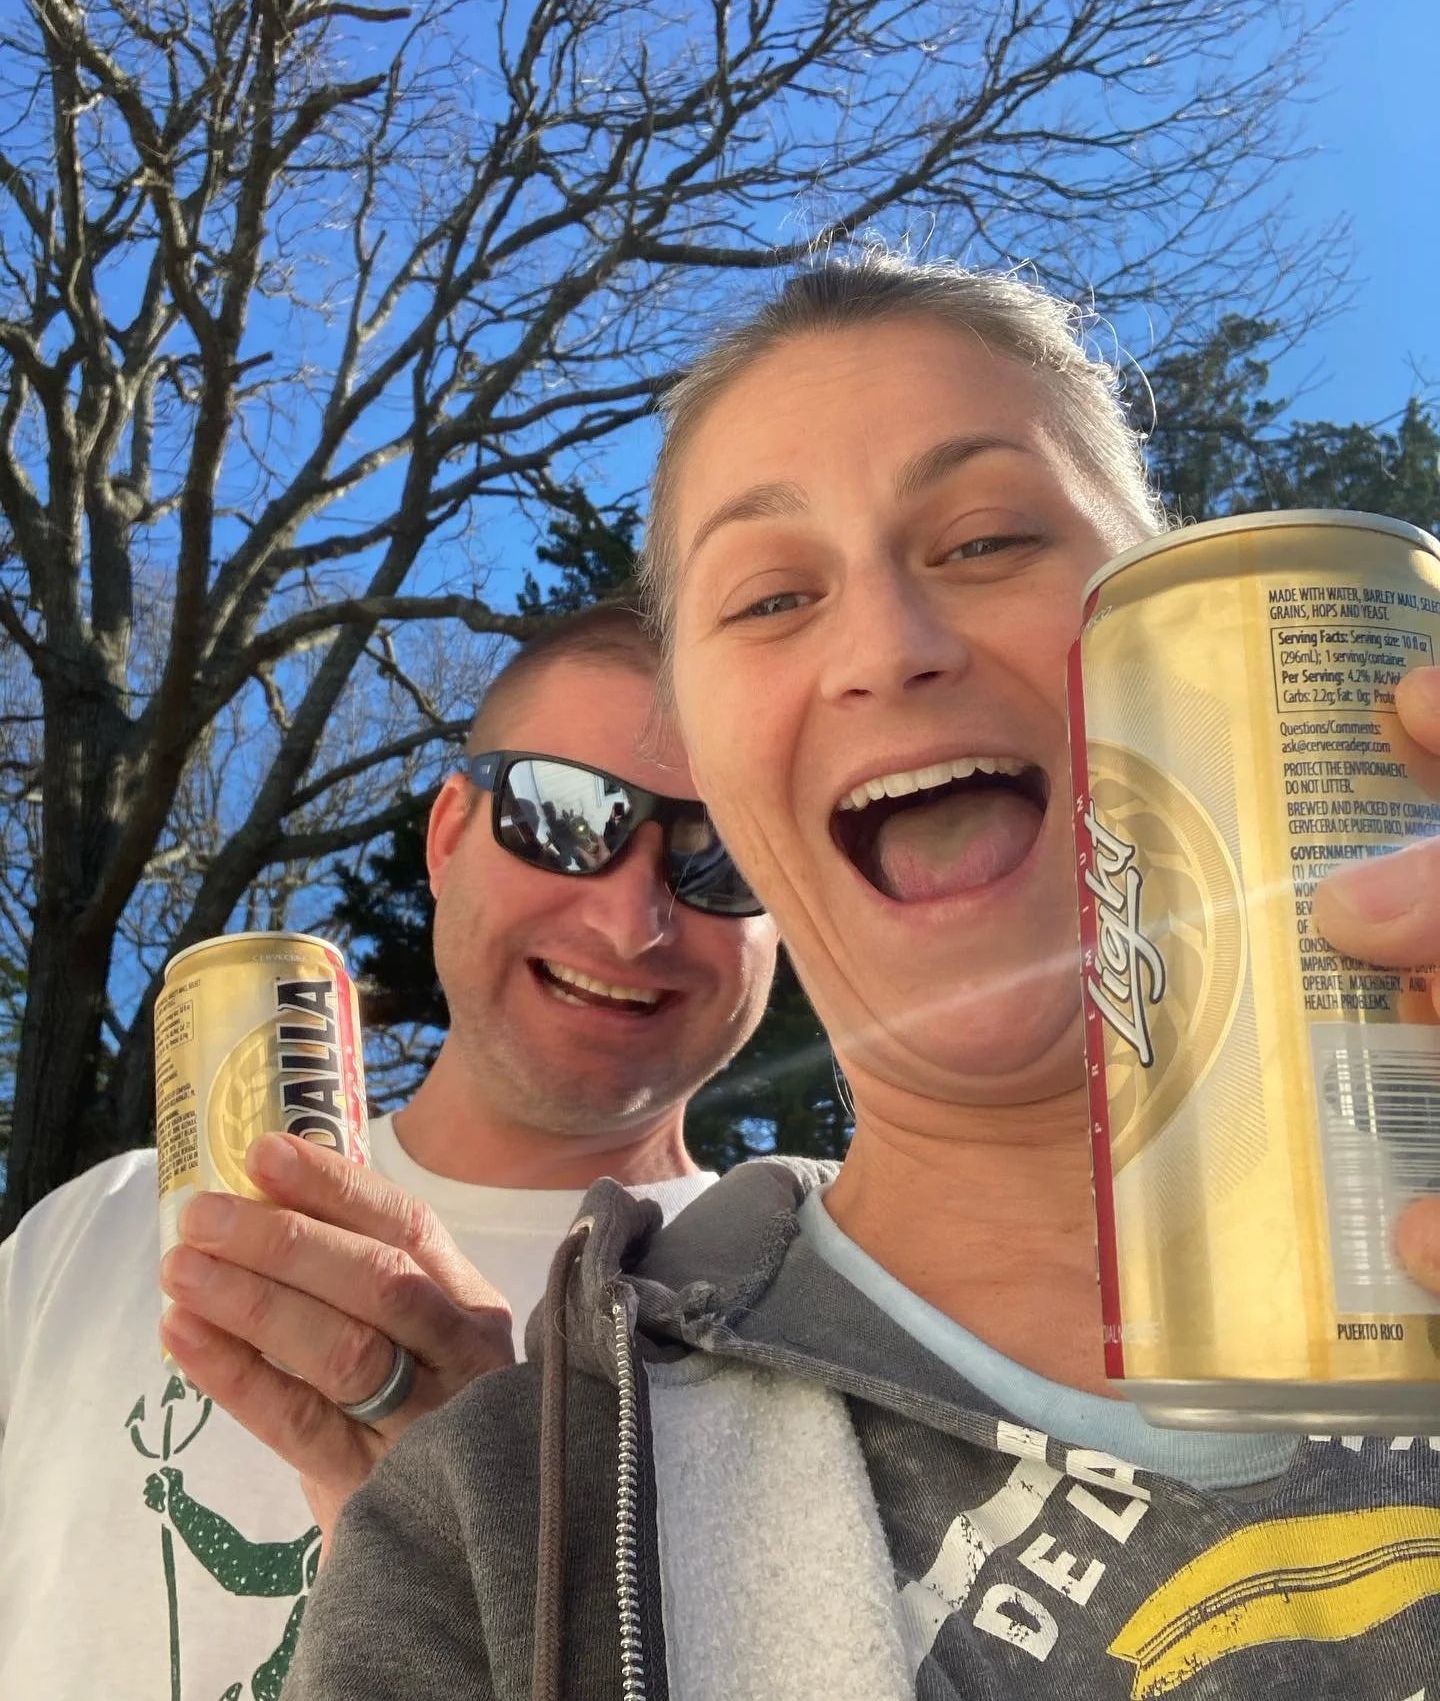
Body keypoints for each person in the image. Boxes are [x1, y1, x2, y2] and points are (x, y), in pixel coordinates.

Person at [284, 253, 1440, 1701]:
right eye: (769, 599)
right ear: (708, 757)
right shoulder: (504, 1533)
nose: (889, 647)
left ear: (1160, 620)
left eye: (987, 541)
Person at [0, 602, 777, 1701]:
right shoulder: (91, 1233)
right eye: (563, 817)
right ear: (449, 835)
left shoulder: (840, 1306)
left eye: (727, 854)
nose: (630, 921)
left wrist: (500, 1517)